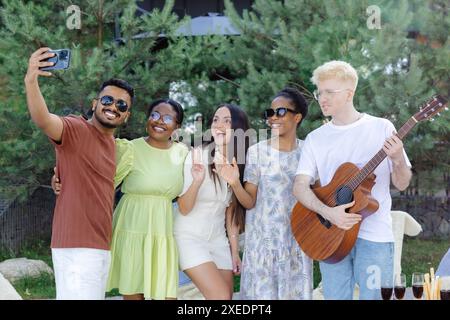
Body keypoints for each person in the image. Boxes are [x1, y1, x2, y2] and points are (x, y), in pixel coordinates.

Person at [293, 60, 412, 300]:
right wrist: (328, 212)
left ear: (349, 93)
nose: (321, 98)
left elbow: (402, 183)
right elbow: (299, 186)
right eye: (319, 92)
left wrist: (398, 158)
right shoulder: (316, 138)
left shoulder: (381, 128)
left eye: (329, 92)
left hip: (374, 236)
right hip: (329, 236)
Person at [25, 47, 133, 299]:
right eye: (107, 100)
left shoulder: (112, 145)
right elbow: (43, 119)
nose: (113, 107)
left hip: (96, 245)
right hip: (77, 246)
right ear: (95, 103)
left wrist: (61, 179)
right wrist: (31, 79)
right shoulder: (77, 129)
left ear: (126, 116)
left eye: (121, 105)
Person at [215, 88, 313, 300]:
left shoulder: (309, 151)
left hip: (297, 244)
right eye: (270, 112)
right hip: (262, 245)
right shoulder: (257, 151)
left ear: (297, 117)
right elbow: (249, 202)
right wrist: (235, 183)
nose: (273, 118)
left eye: (280, 112)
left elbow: (319, 195)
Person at [106, 99, 188, 300]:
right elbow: (102, 181)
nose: (159, 121)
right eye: (155, 115)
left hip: (162, 228)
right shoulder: (129, 148)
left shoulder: (183, 153)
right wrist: (59, 179)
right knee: (133, 290)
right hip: (131, 225)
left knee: (166, 294)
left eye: (168, 118)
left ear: (177, 126)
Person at [174, 104, 250, 299]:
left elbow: (231, 211)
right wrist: (197, 182)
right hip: (189, 237)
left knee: (227, 297)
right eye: (216, 119)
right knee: (220, 297)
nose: (219, 125)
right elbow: (183, 208)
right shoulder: (197, 156)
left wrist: (234, 252)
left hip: (218, 240)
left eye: (227, 120)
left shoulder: (239, 162)